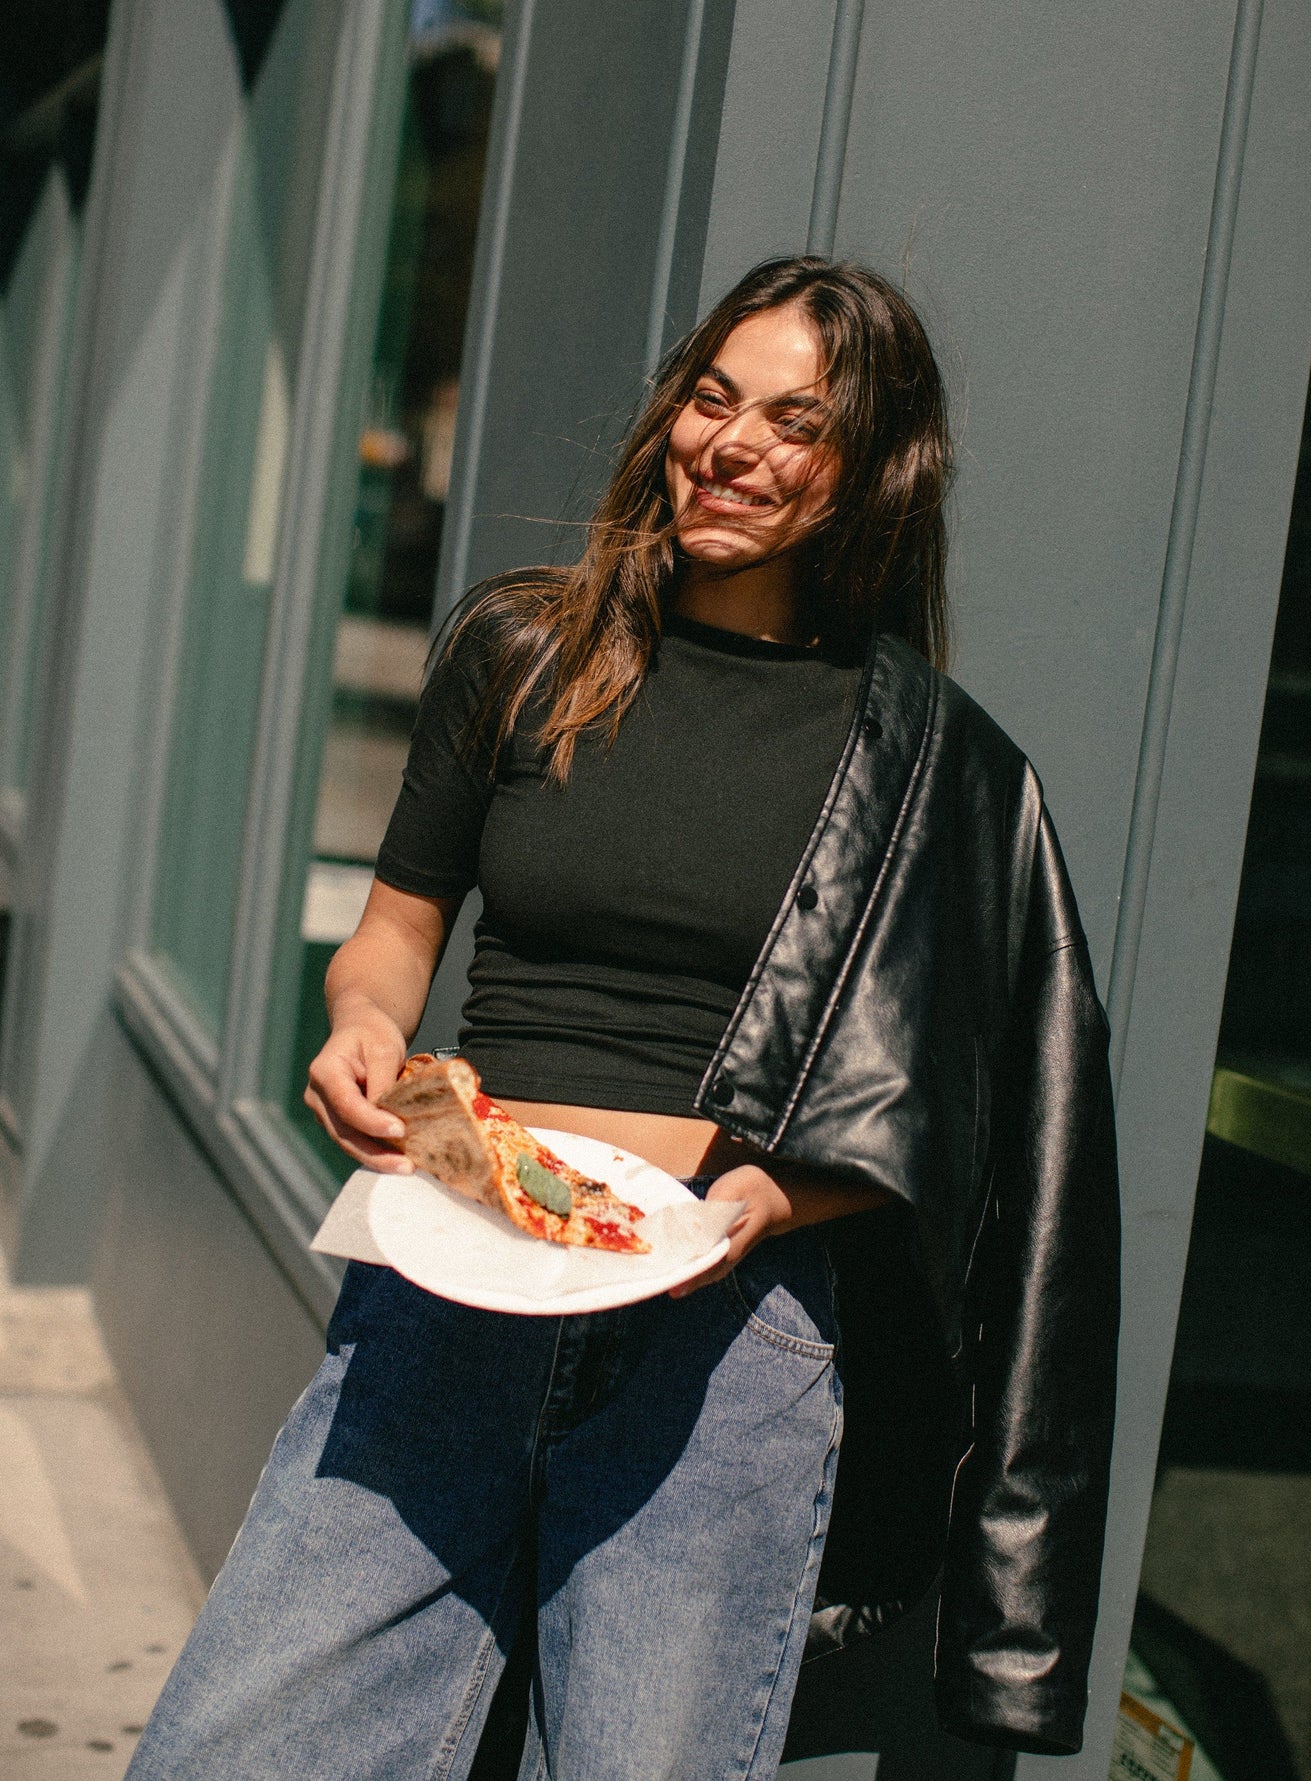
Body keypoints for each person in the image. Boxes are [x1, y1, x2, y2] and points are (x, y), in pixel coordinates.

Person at [128, 257, 1120, 1779]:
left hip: (724, 1342)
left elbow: (950, 1109)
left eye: (797, 423)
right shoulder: (525, 650)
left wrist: (780, 1195)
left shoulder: (928, 762)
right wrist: (361, 1028)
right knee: (234, 1753)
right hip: (452, 1269)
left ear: (874, 470)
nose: (731, 446)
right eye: (712, 400)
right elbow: (394, 936)